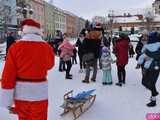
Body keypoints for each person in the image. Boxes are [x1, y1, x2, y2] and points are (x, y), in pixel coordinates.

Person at [0, 19, 54, 120]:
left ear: (24, 31)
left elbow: (8, 74)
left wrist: (7, 99)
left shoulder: (15, 47)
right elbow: (50, 65)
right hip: (40, 93)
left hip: (21, 94)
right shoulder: (47, 47)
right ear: (38, 31)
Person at [136, 32, 160, 107]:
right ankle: (154, 93)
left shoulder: (150, 48)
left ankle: (153, 100)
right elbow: (142, 55)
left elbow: (143, 55)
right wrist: (140, 62)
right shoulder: (147, 47)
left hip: (155, 67)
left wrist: (150, 56)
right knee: (145, 82)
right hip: (149, 67)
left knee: (150, 83)